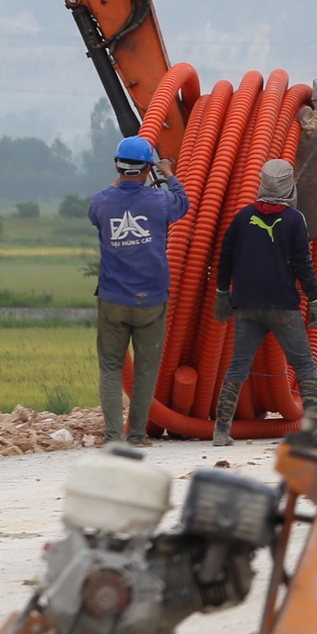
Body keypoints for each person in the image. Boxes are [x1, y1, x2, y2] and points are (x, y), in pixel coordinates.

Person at [212, 159, 317, 446]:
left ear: (262, 184)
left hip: (246, 305)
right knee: (303, 366)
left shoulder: (242, 216)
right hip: (282, 306)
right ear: (289, 187)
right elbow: (303, 263)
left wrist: (223, 294)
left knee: (238, 366)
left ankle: (221, 432)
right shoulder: (294, 219)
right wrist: (314, 299)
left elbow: (225, 257)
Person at [88, 137, 189, 447]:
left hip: (113, 300)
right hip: (152, 300)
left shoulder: (100, 202)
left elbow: (102, 209)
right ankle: (137, 435)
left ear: (117, 165)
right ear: (147, 168)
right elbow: (183, 204)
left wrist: (122, 177)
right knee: (146, 369)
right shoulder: (160, 202)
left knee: (110, 367)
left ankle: (112, 436)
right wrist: (168, 174)